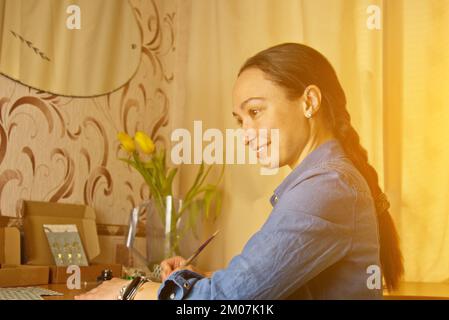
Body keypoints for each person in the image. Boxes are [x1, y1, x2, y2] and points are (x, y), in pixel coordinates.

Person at [76, 43, 403, 300]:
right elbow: (254, 287)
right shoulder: (323, 180)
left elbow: (230, 298)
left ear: (309, 102)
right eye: (240, 120)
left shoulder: (328, 185)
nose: (245, 133)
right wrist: (192, 278)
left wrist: (127, 291)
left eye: (256, 111)